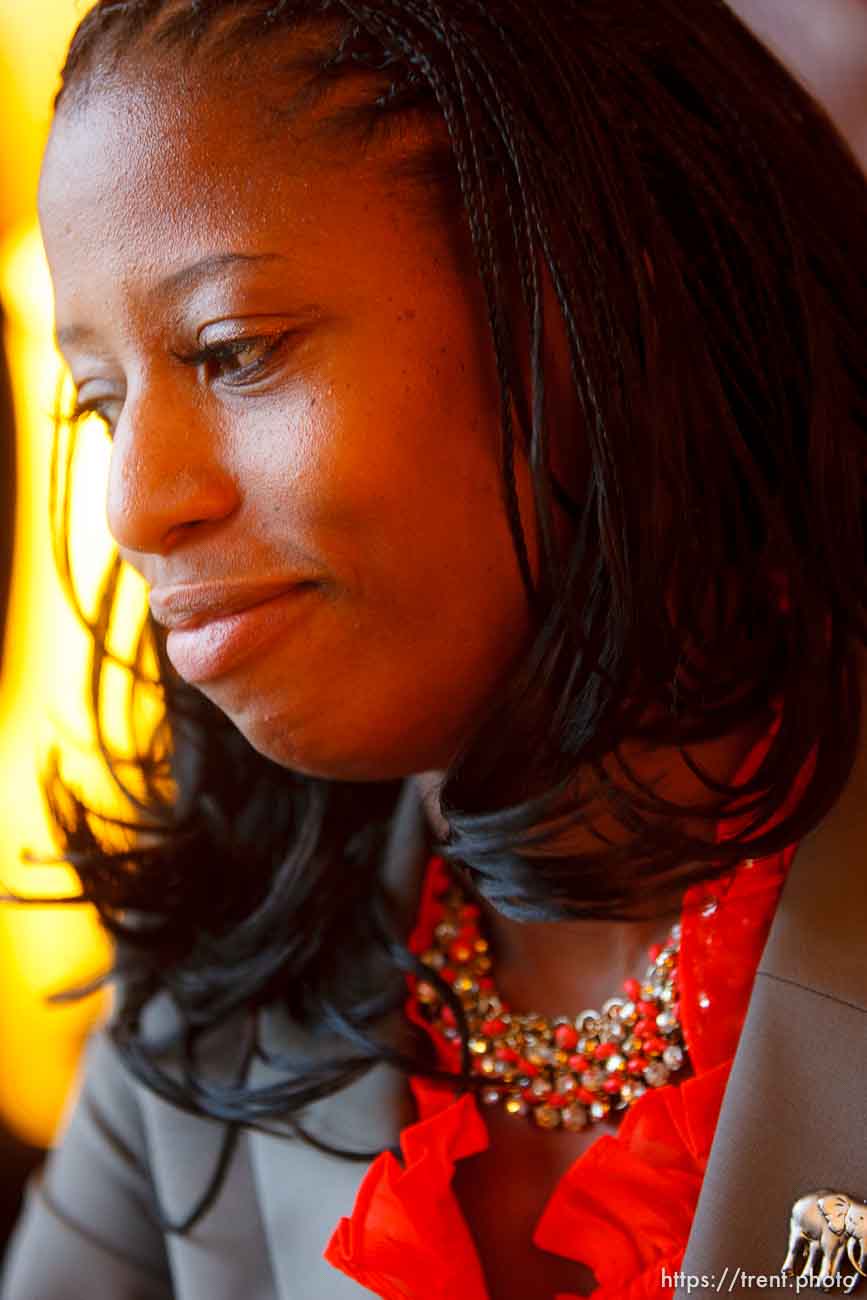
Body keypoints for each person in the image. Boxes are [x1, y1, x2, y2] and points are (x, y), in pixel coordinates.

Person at [2, 1, 867, 1297]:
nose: (132, 505)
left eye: (234, 352)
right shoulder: (205, 1018)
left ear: (597, 300)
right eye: (102, 401)